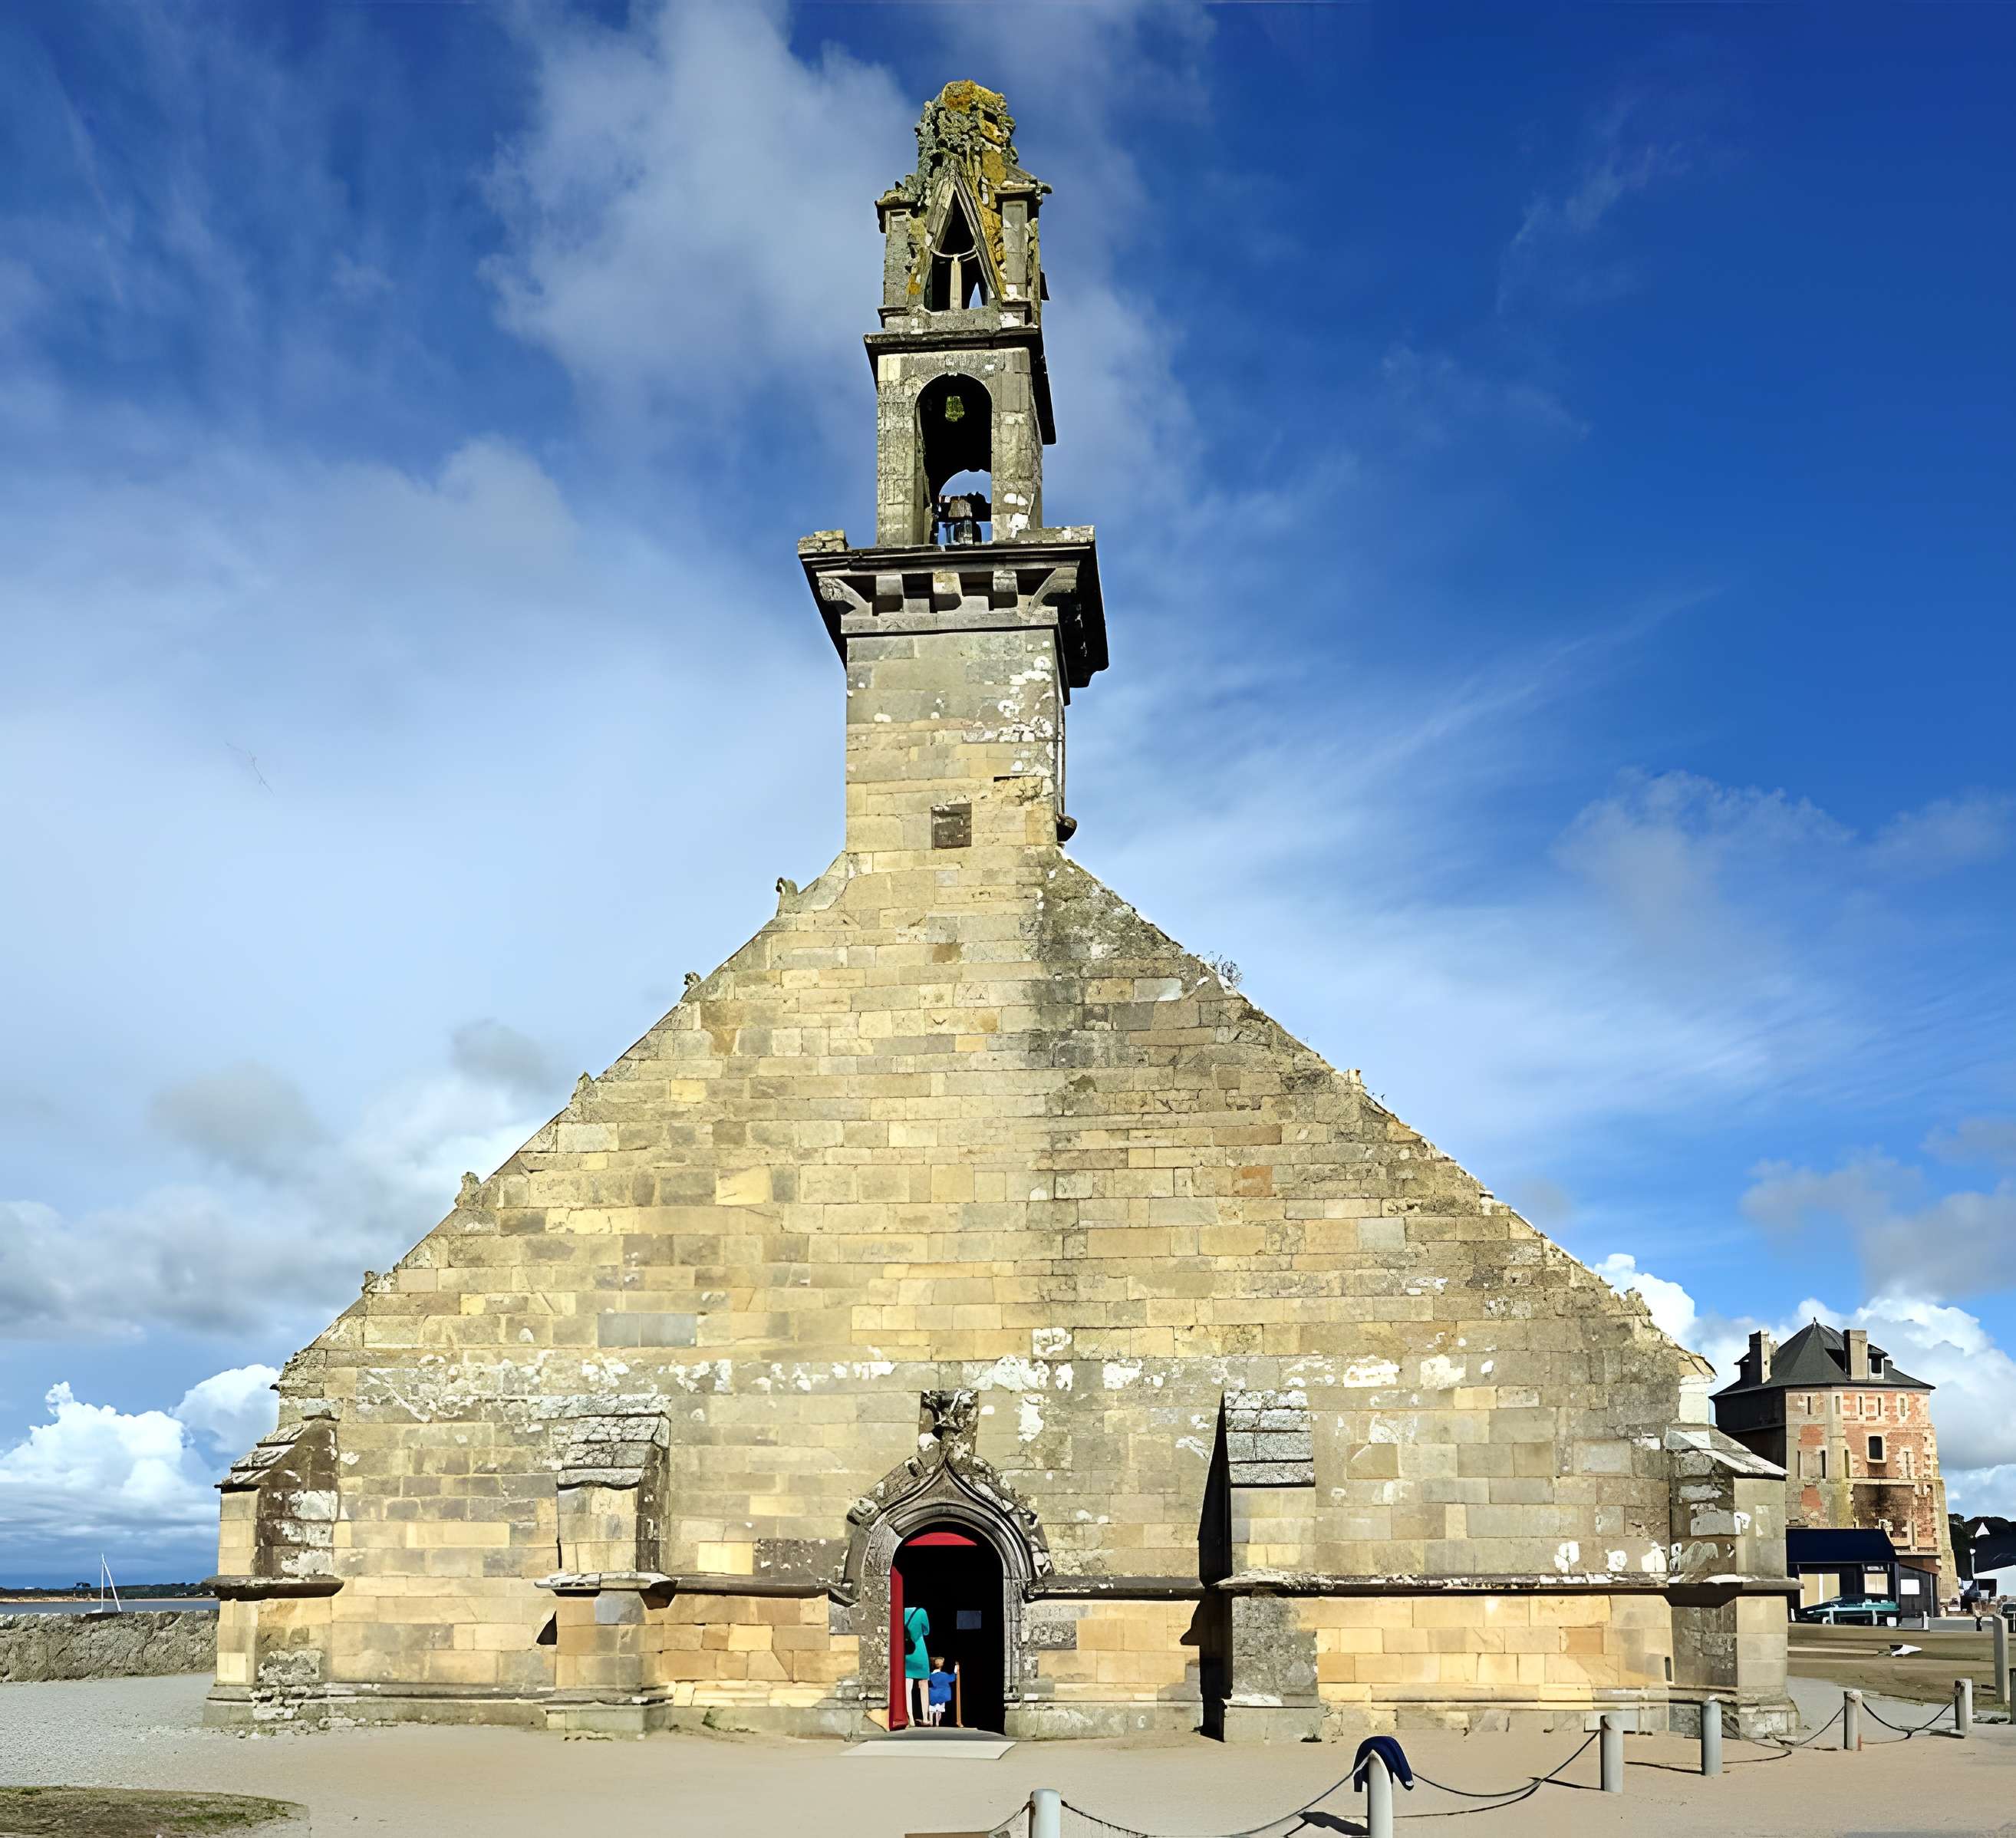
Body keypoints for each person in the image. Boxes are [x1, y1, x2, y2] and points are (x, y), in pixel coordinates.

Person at [902, 1603, 931, 1725]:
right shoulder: (921, 1612)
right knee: (924, 1684)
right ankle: (925, 1718)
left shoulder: (900, 1611)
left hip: (906, 1651)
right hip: (918, 1649)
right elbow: (927, 1631)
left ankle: (911, 1718)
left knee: (907, 1685)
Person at [926, 1655, 955, 1727]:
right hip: (941, 1695)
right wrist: (955, 1671)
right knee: (939, 1711)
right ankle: (937, 1723)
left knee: (931, 1710)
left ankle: (931, 1722)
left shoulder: (929, 1675)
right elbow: (952, 1678)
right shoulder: (944, 1675)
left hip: (932, 1695)